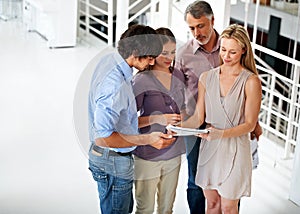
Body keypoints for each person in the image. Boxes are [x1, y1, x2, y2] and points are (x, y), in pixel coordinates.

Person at [175, 1, 262, 213]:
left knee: (229, 204)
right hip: (205, 139)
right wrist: (176, 127)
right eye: (223, 50)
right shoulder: (200, 70)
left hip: (232, 141)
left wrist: (222, 133)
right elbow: (193, 113)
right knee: (205, 196)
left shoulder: (250, 80)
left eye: (232, 52)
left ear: (242, 51)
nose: (226, 56)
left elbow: (248, 120)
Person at [88, 24, 176, 214]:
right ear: (136, 52)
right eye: (150, 57)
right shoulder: (114, 85)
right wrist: (147, 139)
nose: (152, 63)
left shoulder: (112, 62)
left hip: (114, 157)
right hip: (113, 159)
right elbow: (103, 137)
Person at [132, 27, 186, 214]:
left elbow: (185, 108)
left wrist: (182, 121)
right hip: (147, 156)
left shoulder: (178, 75)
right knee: (145, 209)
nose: (169, 57)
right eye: (164, 53)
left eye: (173, 51)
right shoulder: (140, 80)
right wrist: (158, 118)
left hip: (174, 153)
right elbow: (130, 122)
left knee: (166, 209)